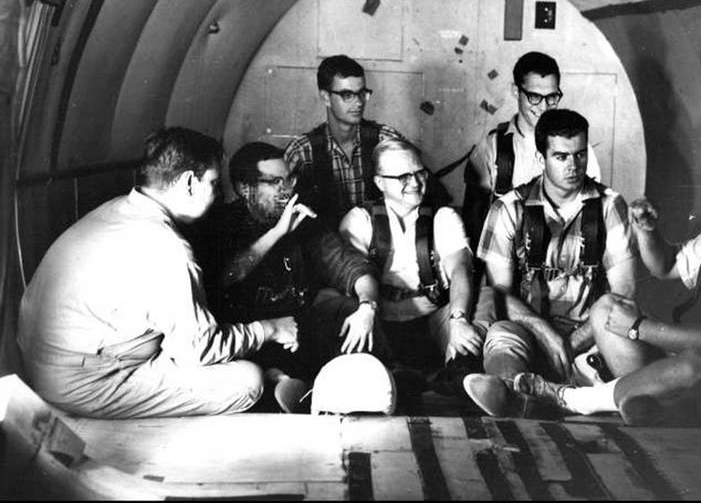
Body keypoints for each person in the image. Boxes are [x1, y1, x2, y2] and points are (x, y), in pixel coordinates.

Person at [503, 140, 701, 426]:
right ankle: (651, 400)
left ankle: (570, 398)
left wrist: (639, 328)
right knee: (606, 309)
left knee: (695, 363)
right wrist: (646, 230)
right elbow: (667, 265)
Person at [17, 127, 298, 418]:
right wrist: (270, 329)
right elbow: (199, 352)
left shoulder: (116, 209)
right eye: (213, 184)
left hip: (46, 359)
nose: (217, 195)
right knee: (247, 380)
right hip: (82, 382)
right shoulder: (168, 248)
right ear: (189, 182)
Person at [462, 109, 638, 417]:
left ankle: (559, 393)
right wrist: (546, 333)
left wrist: (573, 341)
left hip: (592, 331)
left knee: (618, 344)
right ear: (541, 158)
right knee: (501, 335)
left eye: (580, 155)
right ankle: (511, 390)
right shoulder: (508, 209)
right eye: (561, 157)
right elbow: (499, 292)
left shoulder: (610, 206)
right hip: (531, 327)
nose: (573, 166)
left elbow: (623, 293)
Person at [193, 142, 383, 410]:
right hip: (251, 340)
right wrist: (278, 233)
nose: (287, 189)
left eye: (289, 180)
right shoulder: (222, 225)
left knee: (352, 312)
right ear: (244, 189)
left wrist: (367, 307)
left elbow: (350, 266)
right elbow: (227, 275)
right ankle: (284, 386)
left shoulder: (303, 222)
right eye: (275, 182)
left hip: (299, 332)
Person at [339, 138, 495, 404]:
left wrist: (457, 320)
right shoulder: (360, 220)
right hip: (380, 321)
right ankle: (386, 378)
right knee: (335, 304)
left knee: (485, 297)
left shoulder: (443, 217)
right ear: (379, 183)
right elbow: (353, 275)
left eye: (419, 173)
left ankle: (462, 376)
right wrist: (366, 309)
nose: (414, 183)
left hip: (432, 317)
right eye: (402, 176)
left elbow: (459, 270)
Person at [284, 54, 448, 224]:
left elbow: (434, 197)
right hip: (326, 246)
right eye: (347, 95)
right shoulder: (302, 152)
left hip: (381, 244)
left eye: (362, 93)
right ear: (325, 97)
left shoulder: (385, 141)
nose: (358, 103)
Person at [462, 51, 602, 249]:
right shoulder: (492, 148)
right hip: (507, 263)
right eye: (534, 96)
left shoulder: (579, 150)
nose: (544, 106)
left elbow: (592, 213)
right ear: (516, 91)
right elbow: (474, 220)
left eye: (552, 97)